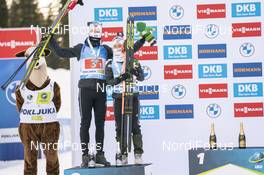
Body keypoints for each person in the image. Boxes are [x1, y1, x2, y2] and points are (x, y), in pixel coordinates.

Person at [48, 21, 111, 167]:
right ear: (89, 35)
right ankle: (85, 156)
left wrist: (138, 42)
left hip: (101, 90)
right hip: (85, 90)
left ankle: (100, 155)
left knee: (100, 124)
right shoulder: (80, 49)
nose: (97, 42)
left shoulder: (106, 49)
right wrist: (50, 39)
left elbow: (123, 54)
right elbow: (60, 53)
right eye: (94, 38)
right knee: (85, 123)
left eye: (98, 39)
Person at [15, 47, 61, 175]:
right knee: (30, 158)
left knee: (52, 157)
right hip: (29, 127)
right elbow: (20, 106)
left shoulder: (53, 85)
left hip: (49, 125)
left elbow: (57, 104)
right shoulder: (22, 87)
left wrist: (45, 114)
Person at [105, 35, 145, 165]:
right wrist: (121, 78)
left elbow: (142, 77)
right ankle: (122, 154)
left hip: (132, 95)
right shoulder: (110, 63)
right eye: (115, 45)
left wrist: (134, 71)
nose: (117, 47)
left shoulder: (132, 59)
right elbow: (109, 82)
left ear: (124, 47)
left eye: (119, 45)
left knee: (135, 126)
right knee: (119, 127)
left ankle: (138, 154)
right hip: (118, 97)